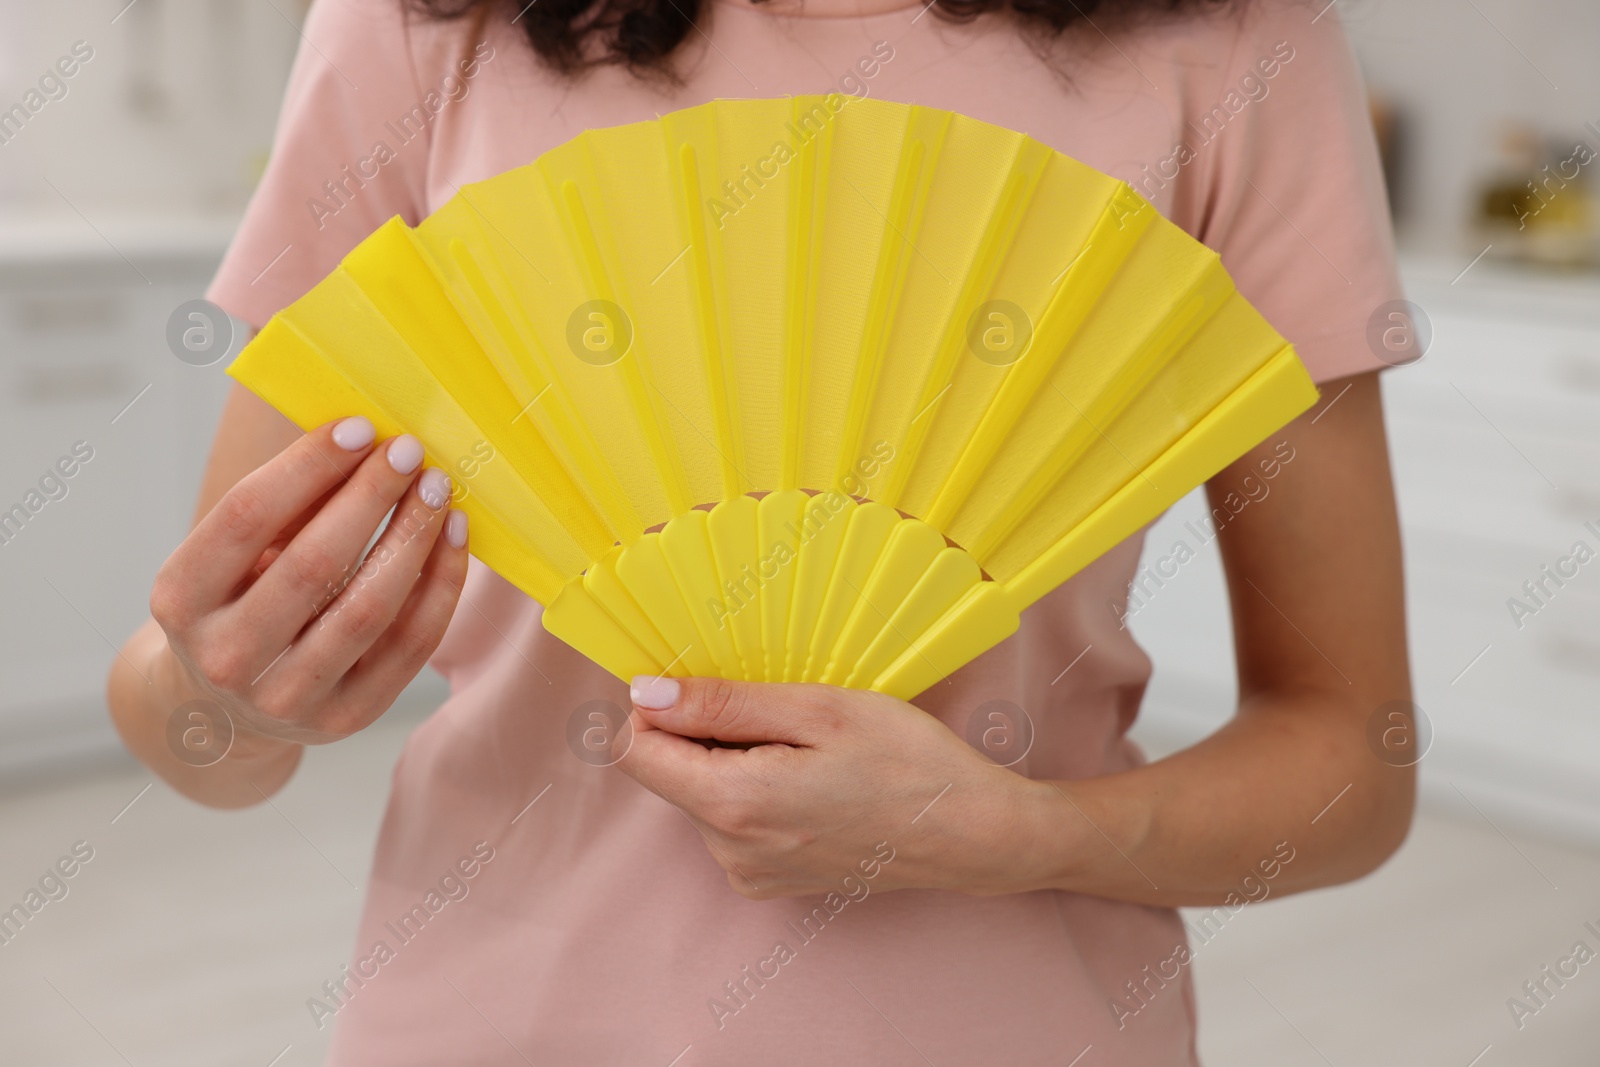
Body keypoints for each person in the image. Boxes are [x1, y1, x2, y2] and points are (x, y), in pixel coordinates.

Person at [107, 0, 1413, 1061]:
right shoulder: (431, 24)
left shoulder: (1243, 46)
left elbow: (1354, 761)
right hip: (501, 1016)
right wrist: (226, 698)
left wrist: (1018, 835)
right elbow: (195, 731)